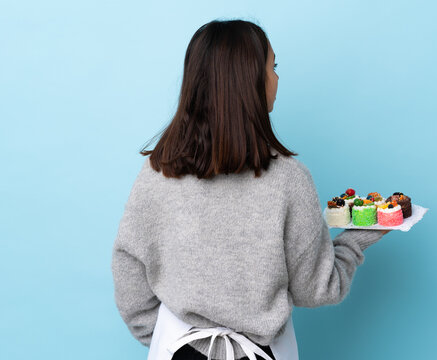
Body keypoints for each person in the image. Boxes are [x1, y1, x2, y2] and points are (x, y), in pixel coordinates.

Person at [111, 19, 390, 360]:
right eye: (271, 67)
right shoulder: (290, 179)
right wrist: (358, 235)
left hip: (178, 352)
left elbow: (128, 267)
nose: (276, 78)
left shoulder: (158, 172)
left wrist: (166, 339)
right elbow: (317, 288)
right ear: (248, 83)